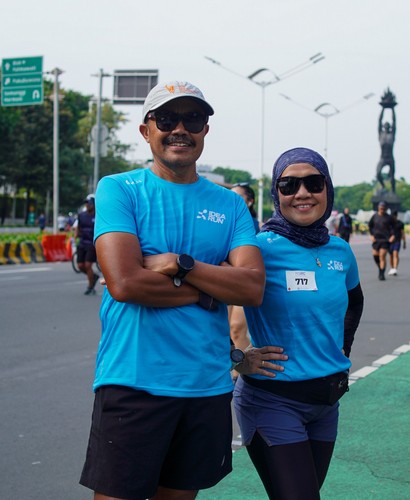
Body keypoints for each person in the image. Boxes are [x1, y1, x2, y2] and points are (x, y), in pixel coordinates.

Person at [79, 81, 286, 500]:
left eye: (192, 119)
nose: (180, 129)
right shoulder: (119, 189)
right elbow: (125, 283)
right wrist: (212, 289)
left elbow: (251, 287)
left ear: (205, 130)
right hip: (134, 382)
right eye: (166, 119)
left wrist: (180, 264)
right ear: (146, 130)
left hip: (207, 387)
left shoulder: (229, 204)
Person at [233, 147, 364, 500]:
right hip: (273, 400)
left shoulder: (340, 250)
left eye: (313, 183)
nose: (302, 193)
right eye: (289, 185)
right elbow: (208, 301)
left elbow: (355, 301)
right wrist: (237, 358)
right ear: (276, 194)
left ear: (327, 189)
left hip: (327, 403)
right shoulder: (257, 249)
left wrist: (343, 346)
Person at [229, 183, 260, 352]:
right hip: (224, 280)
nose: (232, 200)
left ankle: (244, 365)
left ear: (250, 201)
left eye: (238, 197)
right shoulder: (223, 222)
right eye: (230, 195)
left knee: (236, 329)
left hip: (242, 282)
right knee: (226, 332)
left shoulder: (254, 226)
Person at [75, 195, 99, 295]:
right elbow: (78, 227)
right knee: (80, 266)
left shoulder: (98, 215)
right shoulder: (81, 215)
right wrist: (76, 235)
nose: (87, 205)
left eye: (89, 203)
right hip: (82, 242)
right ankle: (93, 276)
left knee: (88, 265)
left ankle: (90, 286)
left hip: (92, 243)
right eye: (86, 203)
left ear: (93, 205)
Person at [368, 201, 395, 280]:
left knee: (382, 256)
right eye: (381, 207)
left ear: (386, 208)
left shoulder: (389, 218)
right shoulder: (374, 216)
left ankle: (381, 274)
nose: (382, 209)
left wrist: (393, 236)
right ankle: (380, 268)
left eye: (383, 208)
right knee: (375, 256)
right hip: (376, 239)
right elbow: (370, 226)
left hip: (385, 240)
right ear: (378, 208)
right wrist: (371, 235)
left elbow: (393, 228)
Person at [375, 106, 396, 192]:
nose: (386, 126)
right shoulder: (381, 134)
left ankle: (393, 191)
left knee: (392, 177)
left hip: (390, 158)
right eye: (385, 125)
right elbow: (379, 121)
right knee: (378, 174)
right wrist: (383, 108)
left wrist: (392, 109)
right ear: (383, 127)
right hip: (383, 158)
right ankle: (383, 186)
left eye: (388, 125)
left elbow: (394, 121)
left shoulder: (392, 134)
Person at [388, 210, 406, 276]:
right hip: (389, 241)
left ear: (396, 216)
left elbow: (402, 233)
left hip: (397, 241)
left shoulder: (400, 223)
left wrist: (404, 242)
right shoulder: (388, 223)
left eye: (394, 216)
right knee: (390, 255)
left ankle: (395, 268)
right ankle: (392, 268)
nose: (393, 217)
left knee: (395, 253)